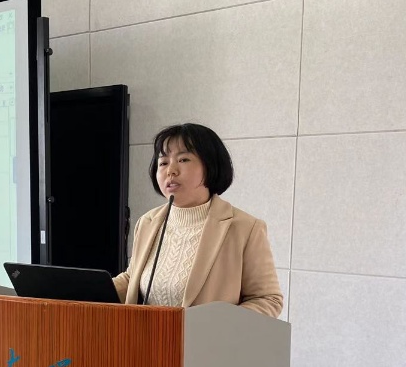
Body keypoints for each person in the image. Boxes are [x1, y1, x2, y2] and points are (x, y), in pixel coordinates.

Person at [113, 123, 283, 318]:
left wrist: (215, 325)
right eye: (163, 163)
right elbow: (133, 279)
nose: (171, 171)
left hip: (210, 338)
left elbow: (268, 299)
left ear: (210, 166)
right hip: (144, 336)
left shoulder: (245, 228)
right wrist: (88, 288)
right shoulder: (148, 222)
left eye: (183, 159)